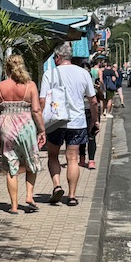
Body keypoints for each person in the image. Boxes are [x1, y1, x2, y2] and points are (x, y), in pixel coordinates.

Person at [41, 44, 99, 206]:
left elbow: (42, 100)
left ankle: (57, 185)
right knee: (72, 159)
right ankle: (72, 196)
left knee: (53, 155)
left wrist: (40, 123)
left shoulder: (49, 74)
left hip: (55, 122)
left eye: (54, 58)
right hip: (77, 121)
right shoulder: (83, 73)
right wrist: (95, 120)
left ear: (58, 58)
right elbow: (93, 101)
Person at [0, 54, 45, 214]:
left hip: (6, 127)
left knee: (12, 166)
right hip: (26, 126)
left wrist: (4, 108)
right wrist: (42, 129)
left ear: (7, 67)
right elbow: (36, 110)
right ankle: (29, 196)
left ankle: (13, 206)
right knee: (31, 160)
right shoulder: (30, 85)